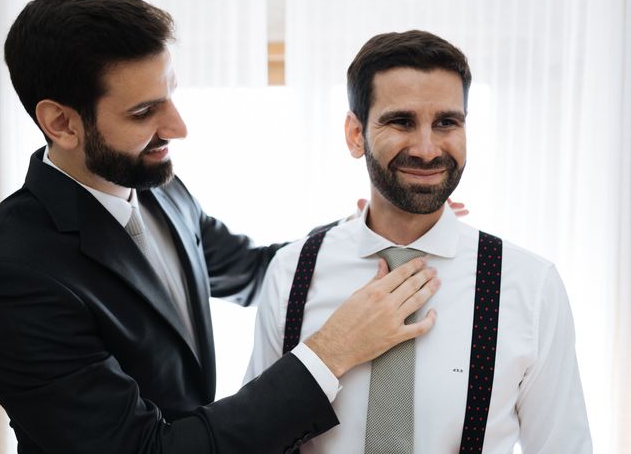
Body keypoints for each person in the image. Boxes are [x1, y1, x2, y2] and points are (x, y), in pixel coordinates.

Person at [0, 0, 443, 454]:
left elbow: (253, 269)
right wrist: (331, 352)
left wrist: (373, 226)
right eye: (145, 112)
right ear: (62, 123)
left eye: (170, 96)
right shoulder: (14, 272)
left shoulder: (158, 188)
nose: (178, 128)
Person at [245, 30, 592, 453]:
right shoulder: (292, 271)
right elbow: (254, 438)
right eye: (401, 121)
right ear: (356, 135)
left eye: (447, 122)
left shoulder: (530, 285)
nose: (428, 150)